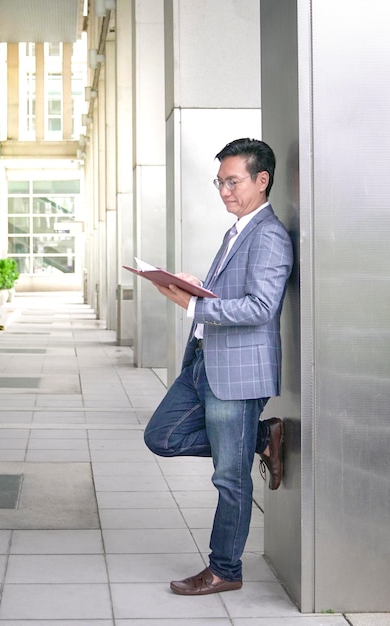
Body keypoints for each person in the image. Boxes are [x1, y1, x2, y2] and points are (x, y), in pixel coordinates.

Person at [144, 137, 293, 596]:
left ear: (261, 180)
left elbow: (262, 307)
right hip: (204, 362)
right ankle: (259, 437)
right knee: (162, 436)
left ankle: (225, 569)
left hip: (238, 373)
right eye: (220, 182)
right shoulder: (236, 230)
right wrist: (197, 286)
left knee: (229, 478)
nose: (224, 190)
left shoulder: (269, 234)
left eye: (233, 181)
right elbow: (231, 293)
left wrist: (194, 306)